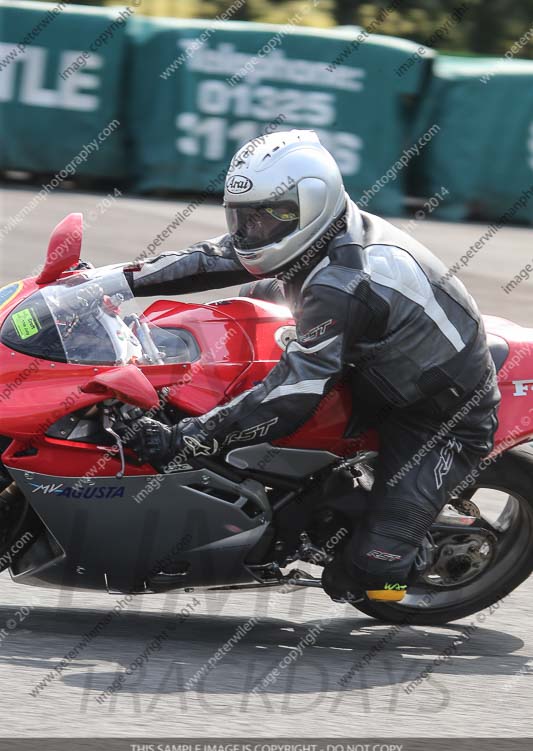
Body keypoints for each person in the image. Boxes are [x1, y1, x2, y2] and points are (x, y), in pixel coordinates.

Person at [123, 129, 500, 603]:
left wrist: (185, 439)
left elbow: (293, 397)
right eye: (243, 217)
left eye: (264, 217)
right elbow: (209, 258)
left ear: (309, 206)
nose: (250, 231)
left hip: (437, 412)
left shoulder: (344, 280)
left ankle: (403, 549)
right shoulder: (317, 235)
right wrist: (110, 281)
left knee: (369, 581)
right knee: (250, 301)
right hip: (371, 359)